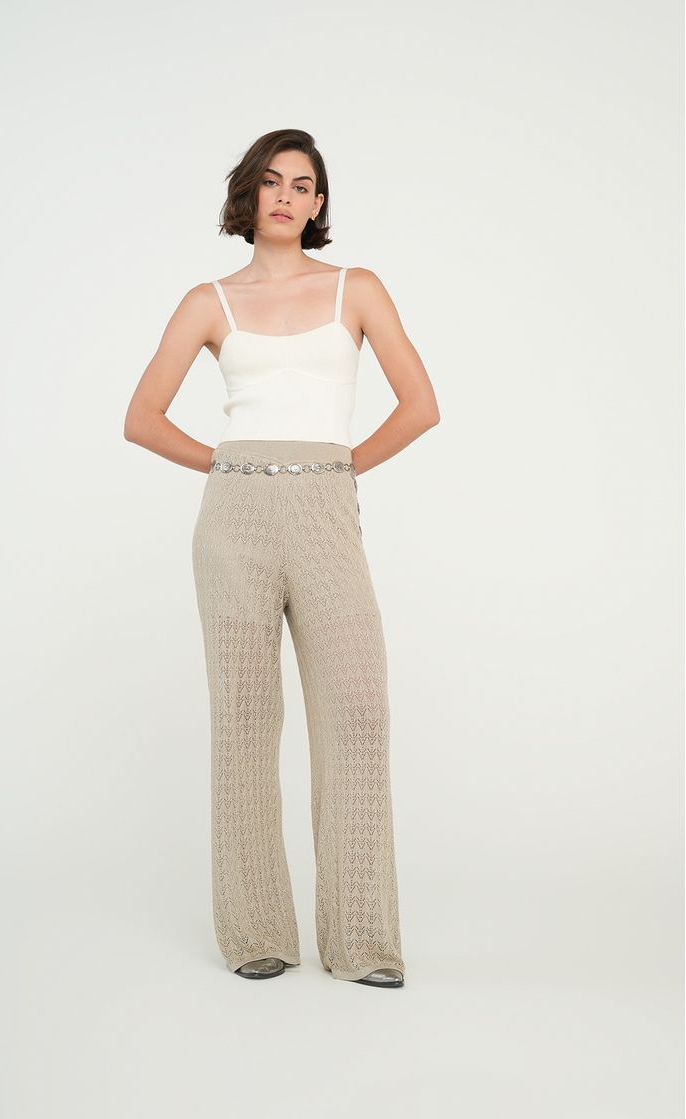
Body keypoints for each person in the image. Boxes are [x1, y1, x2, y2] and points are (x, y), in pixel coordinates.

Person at [124, 128, 440, 987]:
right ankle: (256, 930)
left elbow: (420, 404)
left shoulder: (355, 288)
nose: (287, 197)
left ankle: (363, 939)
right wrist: (230, 465)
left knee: (358, 714)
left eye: (303, 185)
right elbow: (142, 418)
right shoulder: (209, 301)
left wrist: (337, 469)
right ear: (249, 194)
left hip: (325, 507)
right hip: (235, 517)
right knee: (244, 720)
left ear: (319, 203)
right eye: (272, 182)